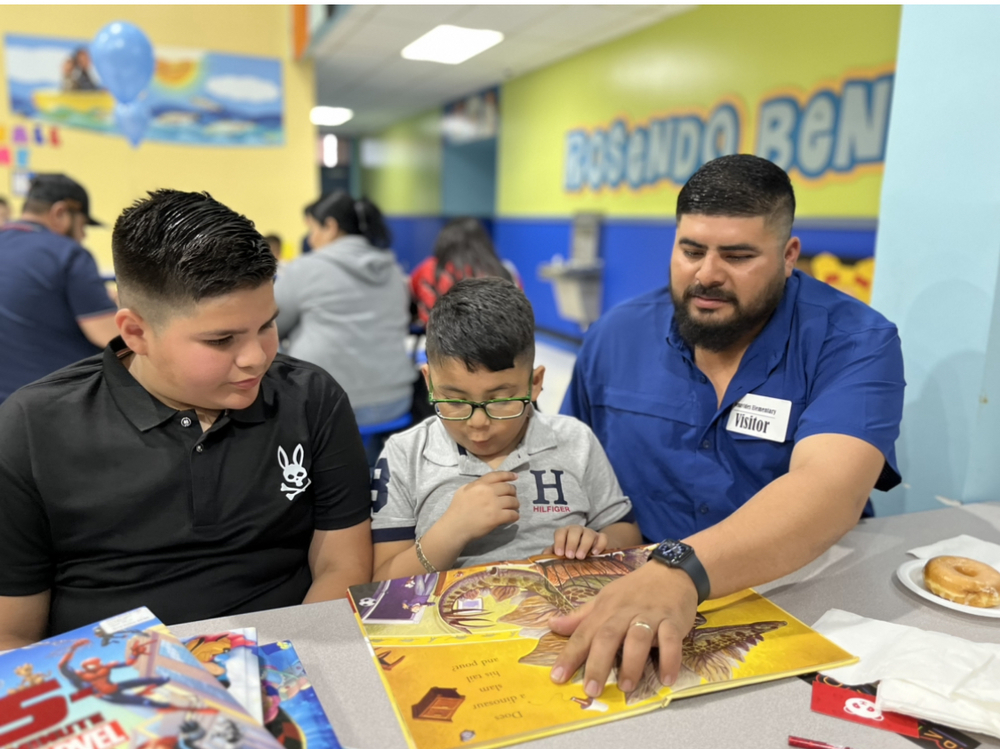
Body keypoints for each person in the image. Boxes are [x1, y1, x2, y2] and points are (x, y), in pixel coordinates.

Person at [551, 154, 905, 698]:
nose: (708, 274)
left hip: (800, 595)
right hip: (634, 591)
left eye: (738, 256)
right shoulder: (615, 335)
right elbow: (572, 466)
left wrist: (678, 570)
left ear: (789, 255)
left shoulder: (855, 340)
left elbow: (828, 489)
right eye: (691, 251)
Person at [0, 189, 372, 648]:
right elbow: (12, 634)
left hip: (289, 662)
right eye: (221, 341)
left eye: (267, 326)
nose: (256, 358)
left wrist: (293, 672)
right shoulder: (32, 427)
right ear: (136, 332)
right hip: (108, 685)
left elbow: (343, 567)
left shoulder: (311, 398)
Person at [371, 278, 641, 580]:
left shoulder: (575, 441)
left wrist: (599, 543)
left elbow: (625, 531)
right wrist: (451, 531)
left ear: (535, 384)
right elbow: (381, 582)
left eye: (500, 400)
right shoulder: (405, 455)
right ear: (430, 383)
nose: (477, 423)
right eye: (455, 401)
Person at [275, 191, 414, 428]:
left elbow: (271, 324)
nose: (311, 239)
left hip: (329, 403)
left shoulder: (306, 269)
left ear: (330, 226)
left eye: (313, 229)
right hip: (397, 399)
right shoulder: (392, 270)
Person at [0, 174, 118, 403]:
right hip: (49, 410)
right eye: (83, 226)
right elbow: (115, 338)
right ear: (61, 213)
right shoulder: (68, 255)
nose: (82, 236)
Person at [410, 217, 521, 326]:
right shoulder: (505, 269)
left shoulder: (429, 268)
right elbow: (519, 308)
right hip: (498, 339)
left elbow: (410, 296)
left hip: (441, 339)